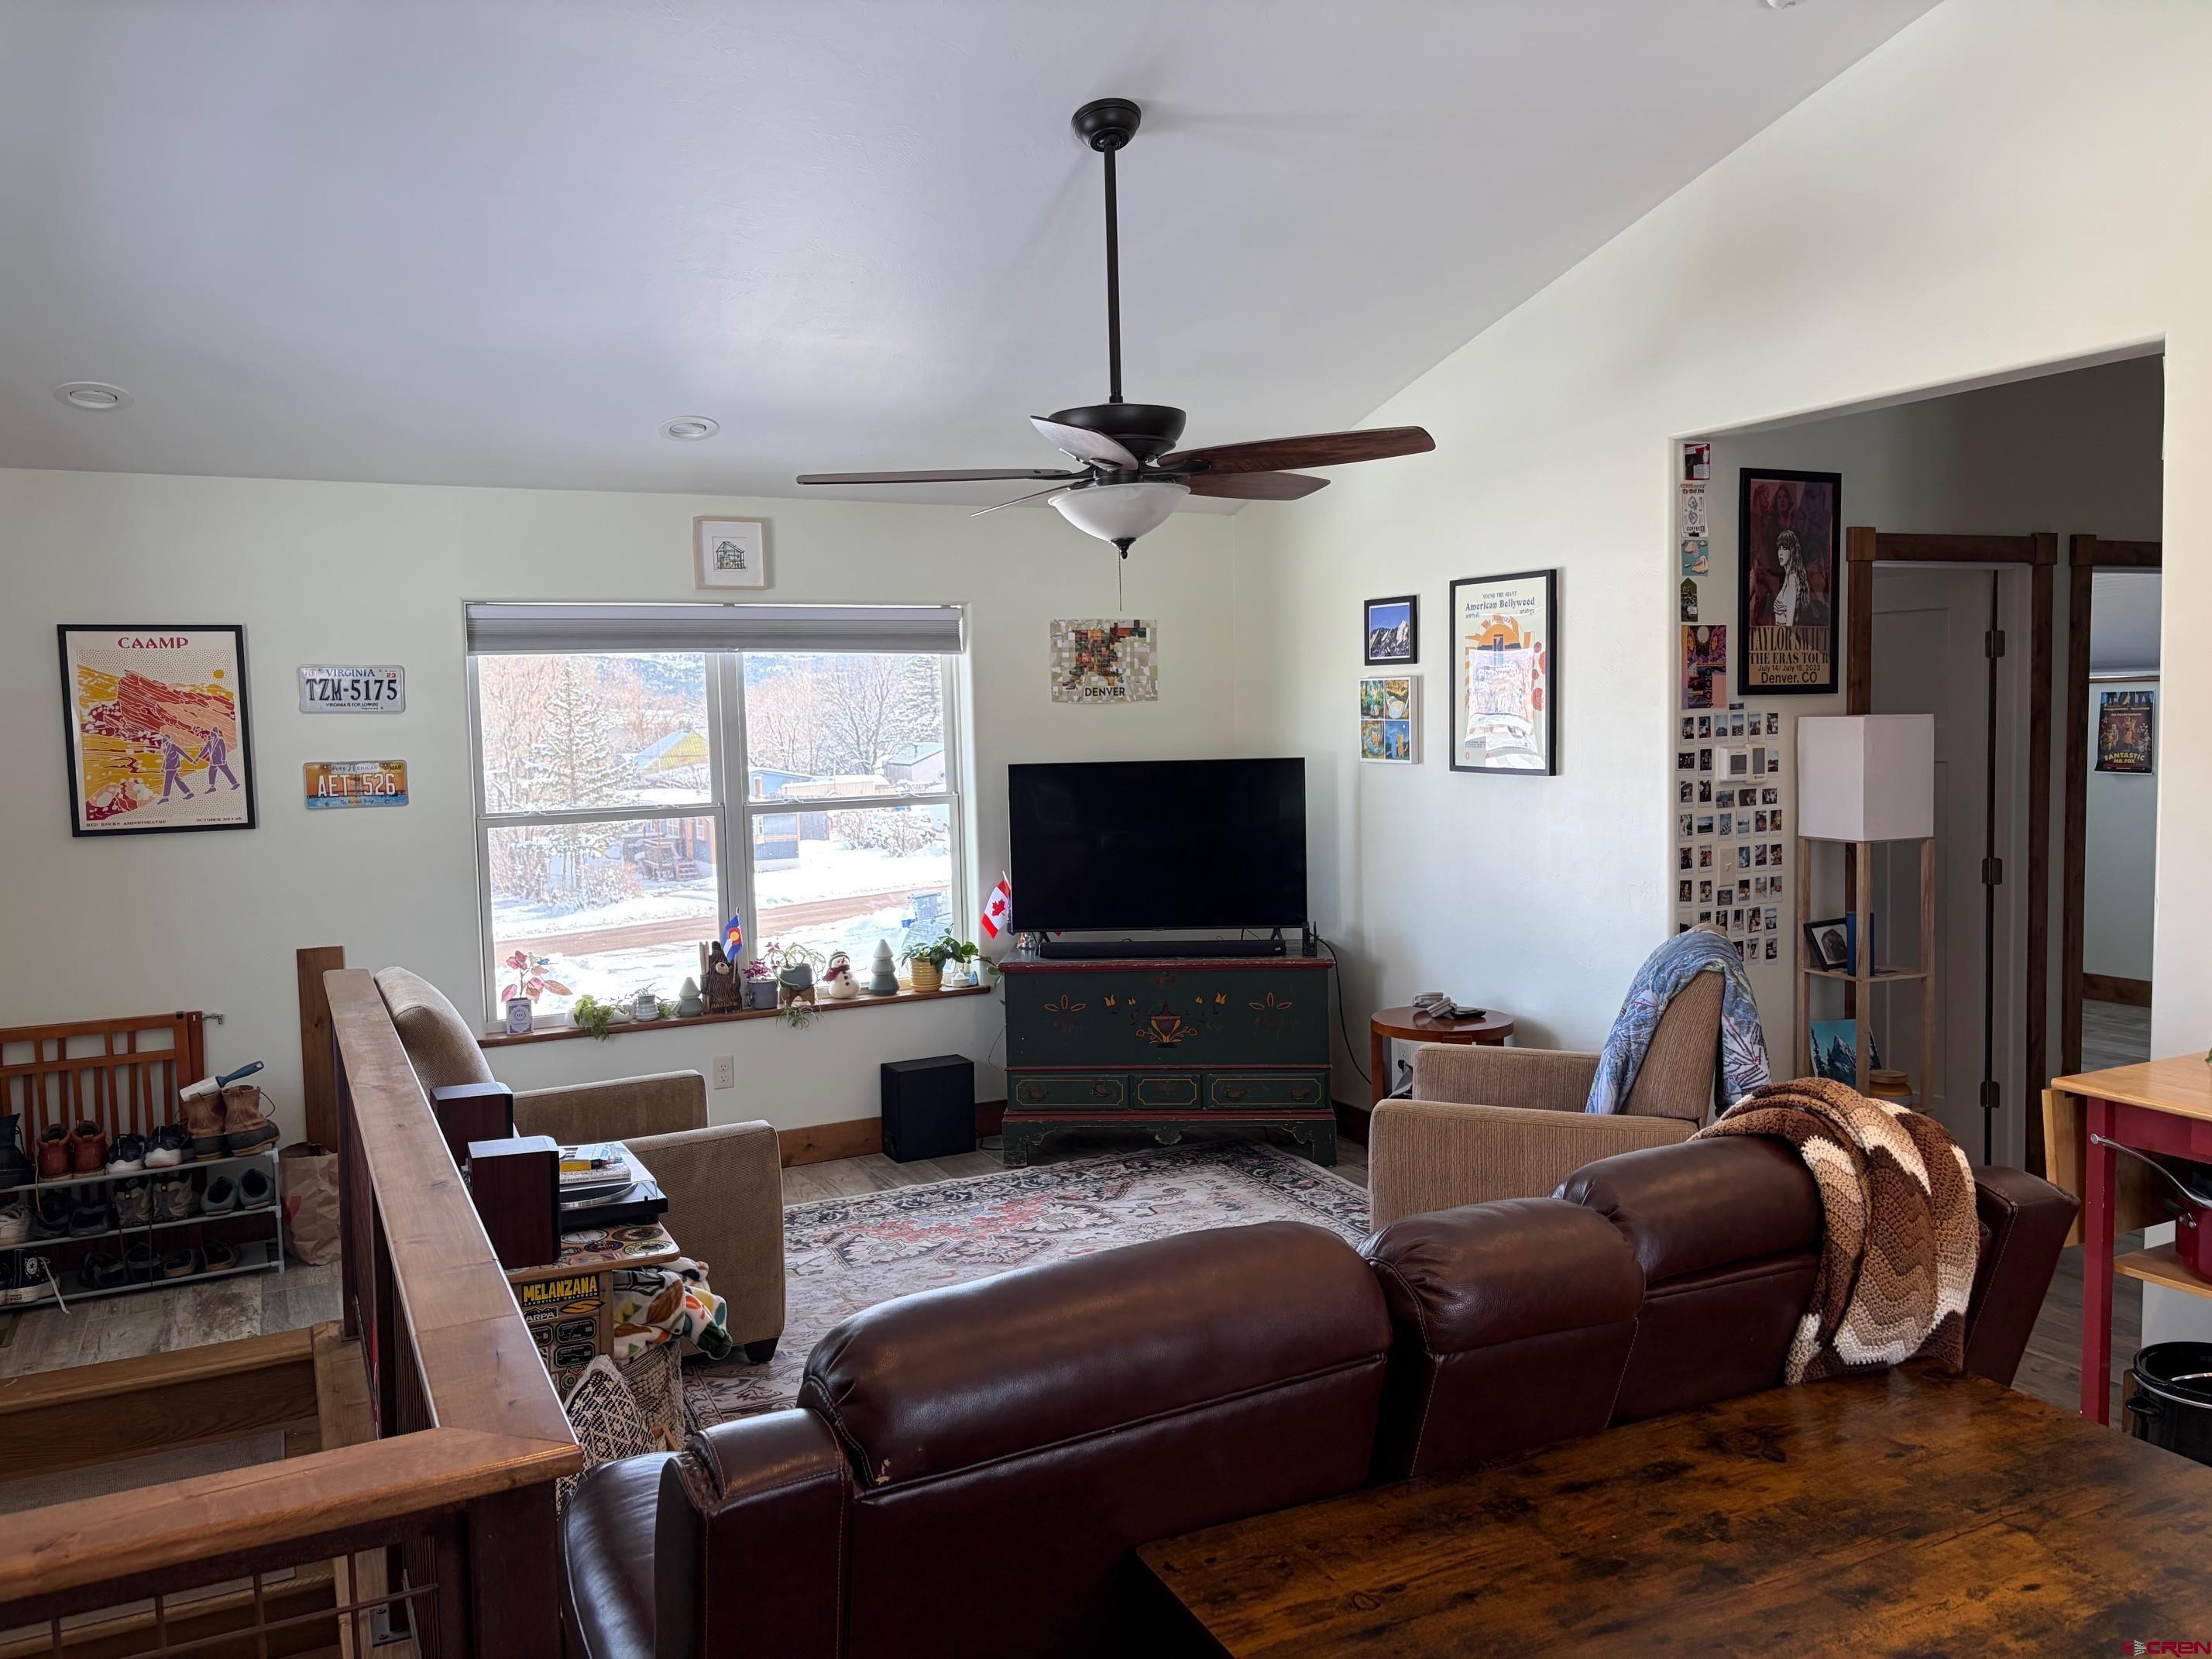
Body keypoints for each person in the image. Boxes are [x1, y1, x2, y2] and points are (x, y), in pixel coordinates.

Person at [198, 725, 241, 792]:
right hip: (213, 761)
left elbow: (223, 750)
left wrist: (223, 759)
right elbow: (204, 751)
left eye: (212, 733)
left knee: (227, 772)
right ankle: (212, 787)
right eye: (211, 733)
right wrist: (198, 758)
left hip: (220, 761)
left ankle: (235, 784)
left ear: (216, 734)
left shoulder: (220, 741)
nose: (211, 734)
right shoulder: (209, 742)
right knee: (211, 773)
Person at [158, 733, 196, 802]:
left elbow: (183, 754)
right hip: (169, 767)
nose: (162, 740)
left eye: (164, 738)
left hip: (173, 766)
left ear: (167, 740)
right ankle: (189, 793)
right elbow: (166, 759)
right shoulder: (166, 749)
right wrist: (163, 768)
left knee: (168, 781)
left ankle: (165, 797)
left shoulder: (174, 747)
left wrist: (192, 761)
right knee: (178, 781)